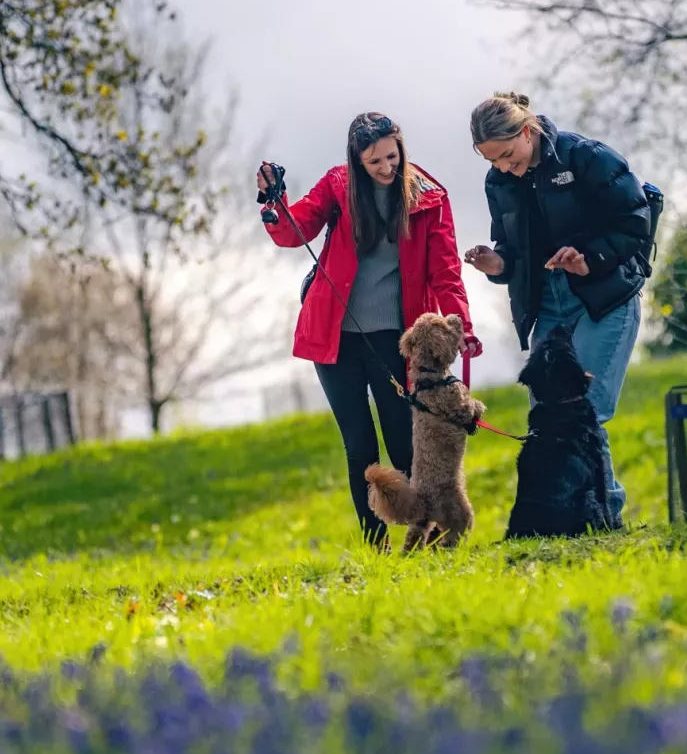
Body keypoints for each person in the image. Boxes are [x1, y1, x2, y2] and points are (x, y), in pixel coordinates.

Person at [259, 112, 482, 550]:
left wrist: (463, 329)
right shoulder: (338, 186)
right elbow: (295, 228)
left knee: (405, 440)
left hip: (395, 340)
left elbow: (446, 272)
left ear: (402, 150)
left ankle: (428, 534)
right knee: (359, 444)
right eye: (374, 161)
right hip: (334, 335)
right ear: (357, 161)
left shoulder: (430, 197)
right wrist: (273, 203)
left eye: (391, 157)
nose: (385, 168)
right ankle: (374, 544)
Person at [463, 92, 651, 526]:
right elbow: (513, 251)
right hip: (545, 305)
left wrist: (590, 258)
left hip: (603, 298)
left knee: (585, 410)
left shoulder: (585, 157)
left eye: (509, 155)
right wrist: (498, 265)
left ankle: (606, 516)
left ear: (527, 131)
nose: (506, 168)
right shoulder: (499, 182)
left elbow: (635, 221)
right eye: (494, 162)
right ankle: (569, 519)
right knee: (550, 416)